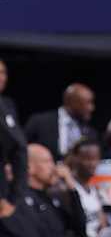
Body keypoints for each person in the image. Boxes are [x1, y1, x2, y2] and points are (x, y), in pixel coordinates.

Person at [24, 91, 96, 161]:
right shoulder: (39, 122)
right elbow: (23, 148)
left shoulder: (90, 131)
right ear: (72, 101)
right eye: (87, 103)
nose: (91, 108)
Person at [0, 60, 24, 202]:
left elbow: (18, 145)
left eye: (3, 72)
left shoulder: (8, 105)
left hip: (6, 186)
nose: (1, 77)